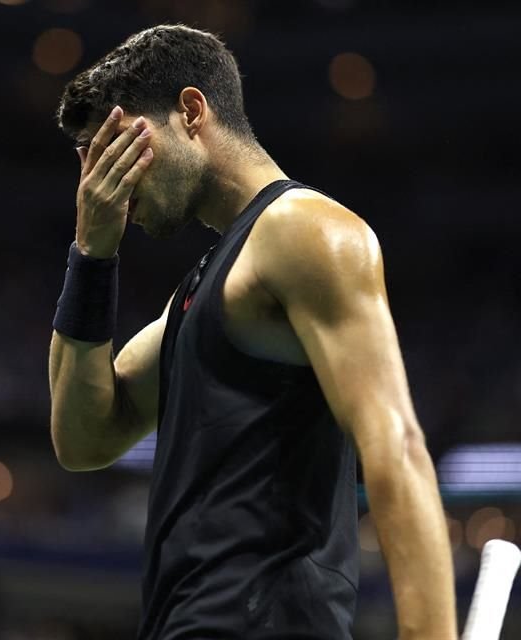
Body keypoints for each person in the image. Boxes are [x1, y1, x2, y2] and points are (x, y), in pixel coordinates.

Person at [48, 24, 456, 640]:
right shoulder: (202, 288)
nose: (111, 183)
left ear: (191, 111)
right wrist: (92, 253)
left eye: (120, 148)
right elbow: (83, 437)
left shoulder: (306, 231)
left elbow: (396, 449)